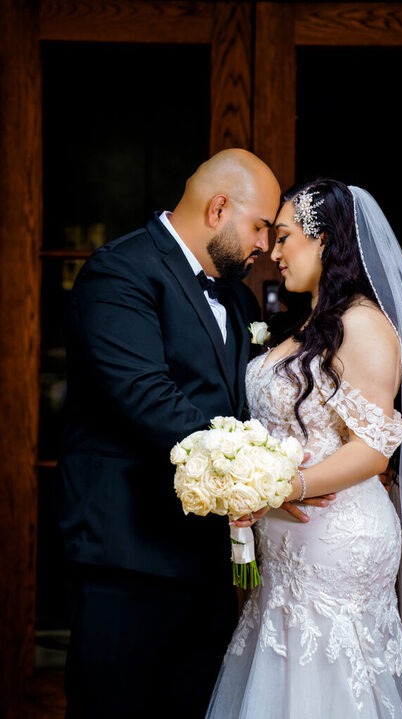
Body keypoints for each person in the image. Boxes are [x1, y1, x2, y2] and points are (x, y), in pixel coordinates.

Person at [56, 148, 281, 718]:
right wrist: (260, 473)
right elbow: (147, 397)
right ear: (218, 209)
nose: (265, 245)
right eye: (259, 227)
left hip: (206, 564)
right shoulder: (119, 271)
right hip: (127, 557)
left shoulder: (239, 297)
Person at [206, 178, 402, 718]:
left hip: (335, 539)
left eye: (284, 237)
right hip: (287, 542)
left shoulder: (364, 325)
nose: (274, 252)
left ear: (325, 241)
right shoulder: (305, 325)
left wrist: (283, 487)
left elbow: (372, 451)